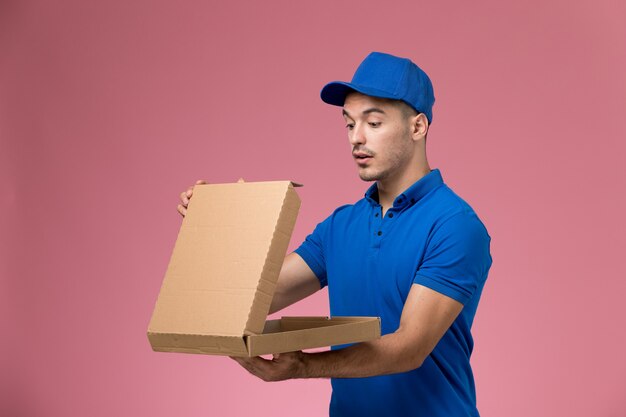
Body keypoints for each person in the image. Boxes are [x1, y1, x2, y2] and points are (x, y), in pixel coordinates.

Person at [177, 52, 493, 417]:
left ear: (418, 127)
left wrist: (304, 366)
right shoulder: (340, 226)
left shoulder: (454, 224)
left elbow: (410, 346)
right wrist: (218, 226)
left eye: (373, 123)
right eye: (348, 124)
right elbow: (253, 299)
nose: (356, 138)